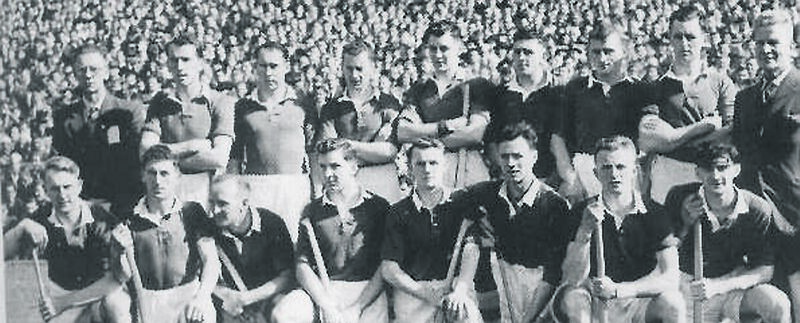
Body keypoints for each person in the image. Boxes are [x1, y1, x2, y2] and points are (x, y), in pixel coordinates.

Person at [557, 136, 684, 323]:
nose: (614, 174)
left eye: (621, 167)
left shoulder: (655, 213)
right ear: (595, 173)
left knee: (673, 302)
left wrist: (619, 290)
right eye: (606, 167)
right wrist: (585, 230)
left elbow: (671, 277)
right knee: (573, 299)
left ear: (634, 170)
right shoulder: (581, 212)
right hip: (595, 300)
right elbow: (572, 278)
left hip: (638, 299)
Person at [664, 144, 790, 323]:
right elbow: (663, 253)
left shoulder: (757, 209)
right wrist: (685, 222)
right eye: (708, 168)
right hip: (689, 288)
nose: (715, 175)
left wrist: (718, 286)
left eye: (722, 168)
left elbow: (764, 270)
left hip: (731, 284)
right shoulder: (681, 197)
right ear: (698, 172)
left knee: (777, 303)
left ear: (736, 170)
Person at [460, 122, 572, 322]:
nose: (511, 163)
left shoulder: (555, 205)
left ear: (534, 157)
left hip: (541, 292)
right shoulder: (483, 194)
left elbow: (553, 275)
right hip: (502, 286)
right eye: (505, 157)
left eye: (518, 156)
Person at [272, 139, 389, 323]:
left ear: (353, 166)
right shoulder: (311, 211)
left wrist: (357, 308)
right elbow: (302, 266)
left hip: (368, 291)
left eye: (335, 166)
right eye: (322, 166)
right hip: (325, 289)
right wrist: (326, 305)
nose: (328, 174)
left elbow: (386, 265)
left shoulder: (379, 207)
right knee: (284, 315)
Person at [731, 9, 800, 320]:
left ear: (792, 46)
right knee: (764, 308)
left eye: (773, 42)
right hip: (755, 220)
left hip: (794, 217)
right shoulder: (745, 98)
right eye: (759, 43)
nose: (765, 50)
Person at [4, 156, 130, 322]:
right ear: (46, 190)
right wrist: (22, 227)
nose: (62, 195)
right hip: (60, 298)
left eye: (67, 187)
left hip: (98, 297)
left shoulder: (101, 218)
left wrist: (62, 303)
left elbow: (119, 278)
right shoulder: (41, 217)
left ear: (79, 186)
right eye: (55, 189)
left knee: (116, 305)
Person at [639, 5, 736, 203]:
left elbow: (731, 133)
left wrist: (672, 140)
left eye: (690, 37)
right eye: (678, 37)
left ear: (704, 39)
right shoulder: (655, 87)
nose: (684, 44)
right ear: (670, 40)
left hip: (710, 173)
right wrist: (703, 127)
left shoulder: (721, 82)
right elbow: (649, 139)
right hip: (668, 174)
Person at [380, 138, 483, 323]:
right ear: (410, 169)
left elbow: (471, 249)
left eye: (433, 163)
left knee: (467, 315)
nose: (427, 170)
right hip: (413, 294)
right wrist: (424, 293)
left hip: (454, 290)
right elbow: (389, 268)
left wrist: (460, 290)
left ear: (444, 166)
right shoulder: (398, 211)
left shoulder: (462, 201)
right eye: (420, 164)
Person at [114, 145, 220, 323]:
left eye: (164, 173)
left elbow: (211, 261)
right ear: (143, 176)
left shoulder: (192, 212)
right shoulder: (128, 218)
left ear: (178, 177)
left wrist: (201, 297)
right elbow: (122, 275)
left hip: (188, 297)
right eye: (151, 173)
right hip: (148, 300)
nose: (157, 181)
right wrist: (118, 252)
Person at [555, 21, 650, 201]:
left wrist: (642, 179)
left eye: (608, 51)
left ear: (624, 53)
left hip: (627, 172)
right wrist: (570, 177)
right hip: (585, 171)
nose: (602, 58)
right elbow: (558, 137)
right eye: (596, 52)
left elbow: (649, 140)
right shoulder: (575, 88)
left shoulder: (641, 90)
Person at [397, 20, 495, 190]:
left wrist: (423, 133)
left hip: (469, 168)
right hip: (430, 171)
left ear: (459, 48)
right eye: (432, 48)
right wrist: (445, 126)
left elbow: (474, 134)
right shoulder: (420, 88)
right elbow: (403, 131)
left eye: (444, 48)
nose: (438, 55)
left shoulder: (476, 84)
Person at [228, 42, 311, 241]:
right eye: (263, 66)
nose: (268, 72)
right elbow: (235, 157)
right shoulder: (242, 107)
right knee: (261, 248)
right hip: (257, 187)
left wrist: (316, 194)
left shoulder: (304, 103)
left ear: (286, 67)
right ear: (255, 68)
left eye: (274, 66)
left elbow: (314, 154)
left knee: (295, 246)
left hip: (294, 188)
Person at [139, 35, 235, 205]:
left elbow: (219, 158)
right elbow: (146, 151)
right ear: (168, 64)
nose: (180, 67)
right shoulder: (160, 102)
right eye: (174, 60)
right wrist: (193, 146)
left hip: (206, 191)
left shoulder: (220, 101)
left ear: (200, 63)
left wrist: (167, 162)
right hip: (168, 189)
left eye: (186, 60)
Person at [52, 44, 146, 212]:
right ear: (75, 75)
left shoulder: (130, 111)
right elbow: (64, 165)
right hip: (82, 205)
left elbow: (133, 163)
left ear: (106, 72)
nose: (88, 75)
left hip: (123, 202)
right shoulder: (63, 117)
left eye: (93, 69)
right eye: (82, 70)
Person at [317, 39, 404, 203]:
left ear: (372, 68)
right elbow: (328, 153)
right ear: (342, 68)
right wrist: (373, 148)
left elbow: (389, 151)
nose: (354, 75)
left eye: (360, 69)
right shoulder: (331, 108)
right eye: (349, 69)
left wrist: (348, 145)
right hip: (344, 183)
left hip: (382, 180)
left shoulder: (388, 104)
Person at [208, 175, 295, 322]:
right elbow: (199, 277)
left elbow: (287, 276)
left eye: (222, 204)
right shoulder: (208, 229)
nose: (214, 211)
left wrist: (247, 299)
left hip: (268, 300)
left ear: (244, 203)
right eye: (212, 202)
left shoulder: (271, 224)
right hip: (230, 306)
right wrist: (227, 297)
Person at [486, 31, 564, 187]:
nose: (521, 58)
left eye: (528, 52)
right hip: (510, 183)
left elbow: (568, 140)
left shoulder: (561, 92)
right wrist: (505, 175)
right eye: (517, 52)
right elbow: (492, 140)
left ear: (543, 56)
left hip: (552, 182)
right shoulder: (499, 94)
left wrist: (556, 178)